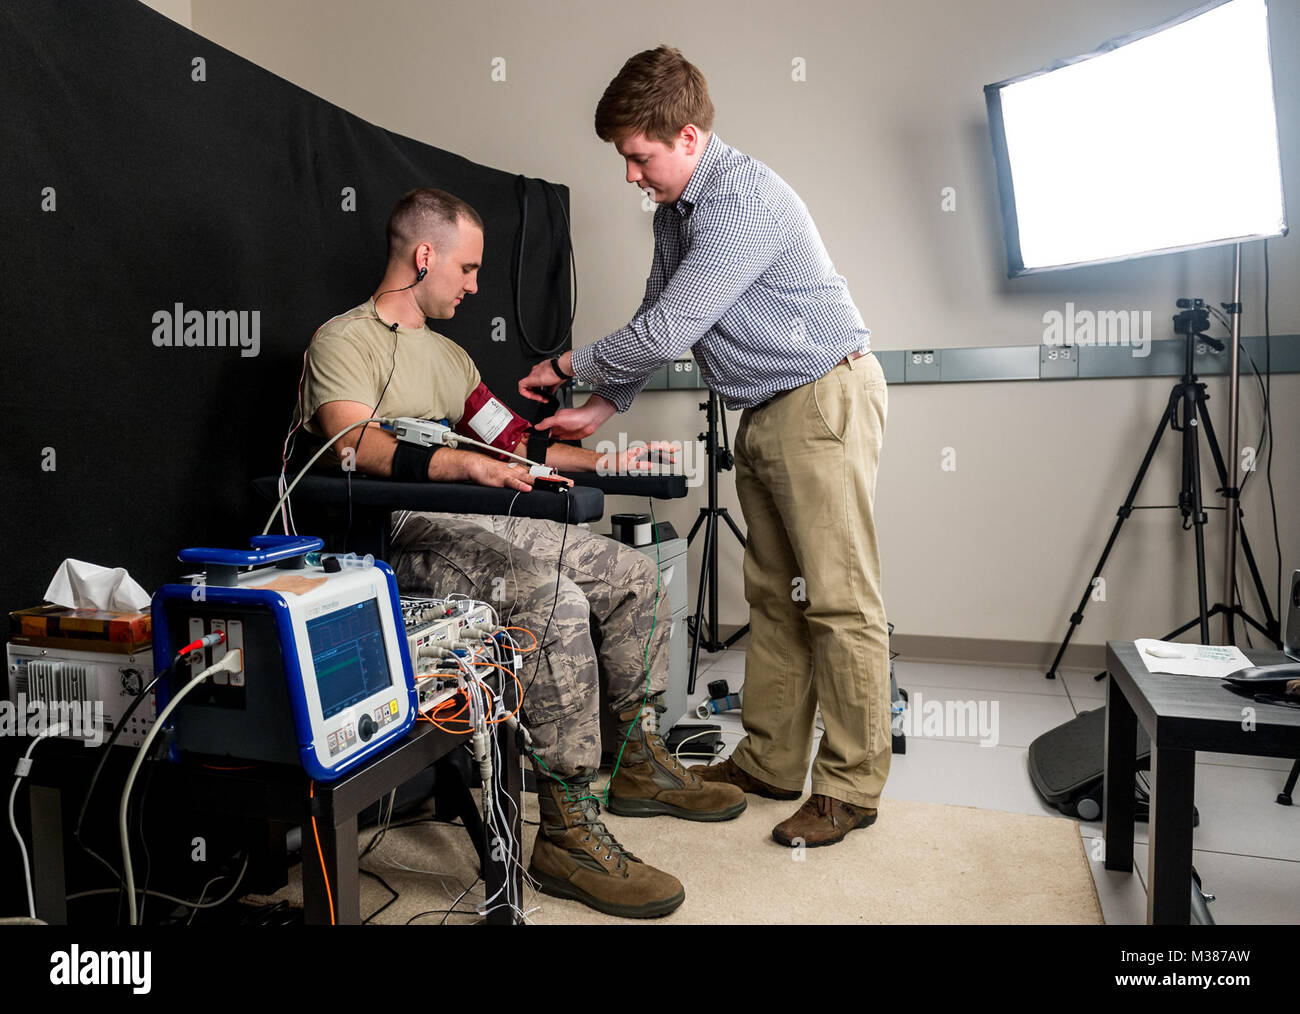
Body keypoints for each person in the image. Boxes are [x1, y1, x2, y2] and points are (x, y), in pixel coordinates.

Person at [295, 187, 744, 918]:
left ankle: (637, 759)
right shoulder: (343, 341)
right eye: (467, 269)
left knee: (630, 574)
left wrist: (616, 461)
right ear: (424, 255)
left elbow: (517, 445)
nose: (475, 285)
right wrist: (458, 467)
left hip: (471, 517)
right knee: (553, 596)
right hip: (397, 529)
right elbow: (351, 442)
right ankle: (565, 830)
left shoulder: (451, 359)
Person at [520, 46, 890, 848]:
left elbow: (671, 328)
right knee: (776, 600)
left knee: (837, 599)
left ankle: (853, 788)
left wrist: (564, 365)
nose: (631, 175)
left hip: (822, 395)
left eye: (639, 157)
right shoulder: (676, 212)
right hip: (764, 409)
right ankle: (770, 761)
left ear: (687, 138)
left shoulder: (741, 200)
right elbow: (659, 309)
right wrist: (602, 406)